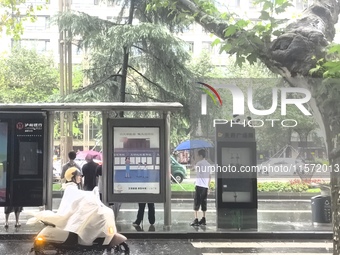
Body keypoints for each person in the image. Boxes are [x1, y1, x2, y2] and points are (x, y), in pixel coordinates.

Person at [27, 167, 118, 246]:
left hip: (72, 213)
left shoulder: (71, 187)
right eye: (78, 176)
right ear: (72, 177)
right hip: (69, 215)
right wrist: (92, 196)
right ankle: (85, 243)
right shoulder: (71, 188)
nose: (80, 177)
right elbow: (79, 197)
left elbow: (79, 198)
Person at [190, 149, 211, 226]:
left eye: (198, 155)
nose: (197, 156)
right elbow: (209, 176)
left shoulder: (199, 163)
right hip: (205, 186)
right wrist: (208, 186)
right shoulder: (208, 164)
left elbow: (192, 169)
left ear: (201, 156)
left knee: (196, 202)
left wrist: (193, 161)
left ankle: (196, 219)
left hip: (199, 186)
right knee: (204, 202)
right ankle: (204, 218)